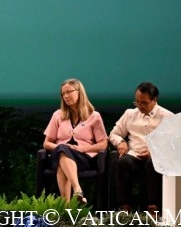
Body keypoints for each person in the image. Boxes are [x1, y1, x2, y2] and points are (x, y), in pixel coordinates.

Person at [108, 81, 173, 214]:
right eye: (137, 102)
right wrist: (121, 142)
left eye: (144, 103)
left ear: (154, 100)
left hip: (155, 156)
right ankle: (124, 206)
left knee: (153, 164)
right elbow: (114, 134)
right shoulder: (130, 114)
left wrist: (154, 152)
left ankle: (153, 206)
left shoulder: (167, 117)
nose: (139, 106)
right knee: (122, 163)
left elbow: (171, 143)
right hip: (135, 154)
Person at [42, 78, 108, 204]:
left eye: (69, 92)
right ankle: (77, 190)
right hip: (59, 155)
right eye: (63, 94)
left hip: (83, 157)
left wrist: (84, 148)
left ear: (80, 92)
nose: (66, 96)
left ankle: (66, 206)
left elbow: (103, 144)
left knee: (62, 157)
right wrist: (60, 147)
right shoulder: (58, 115)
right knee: (62, 150)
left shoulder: (94, 116)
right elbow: (46, 143)